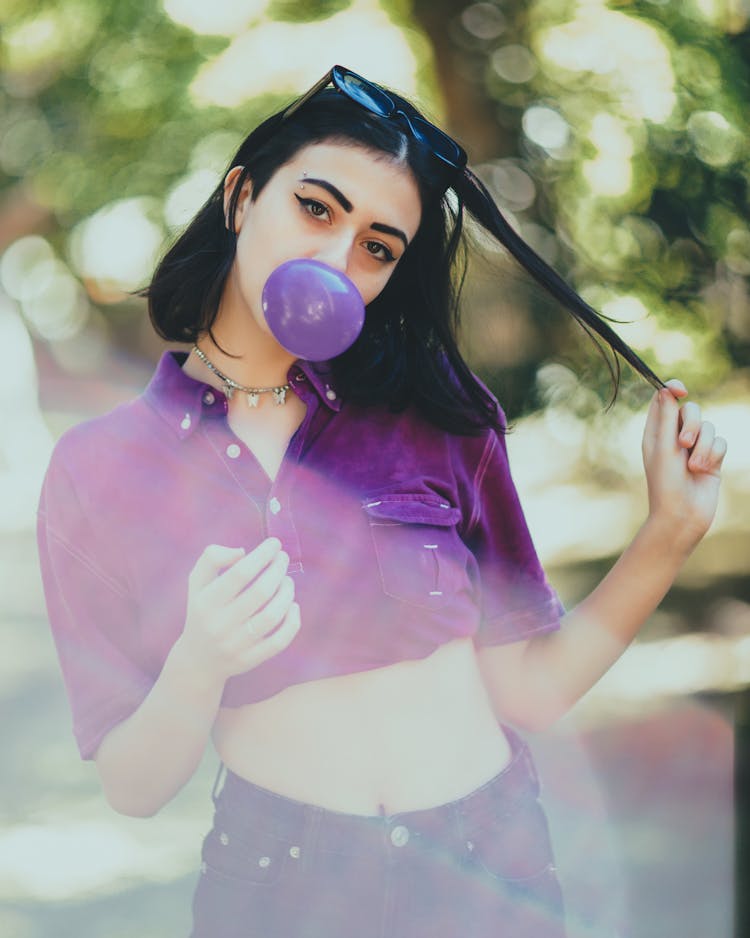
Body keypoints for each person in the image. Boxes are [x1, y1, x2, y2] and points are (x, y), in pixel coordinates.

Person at [36, 66, 726, 937]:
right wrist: (198, 664)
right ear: (242, 196)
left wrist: (668, 534)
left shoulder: (434, 407)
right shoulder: (96, 470)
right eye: (316, 208)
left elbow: (530, 690)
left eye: (378, 247)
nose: (336, 258)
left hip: (491, 869)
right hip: (279, 895)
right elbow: (132, 788)